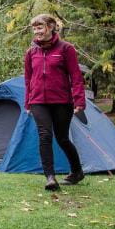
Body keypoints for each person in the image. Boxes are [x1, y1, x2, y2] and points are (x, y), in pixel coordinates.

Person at [24, 14, 86, 191]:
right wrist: (27, 103)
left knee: (62, 138)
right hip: (38, 101)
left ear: (51, 27)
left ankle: (77, 171)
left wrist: (79, 100)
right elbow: (28, 79)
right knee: (44, 136)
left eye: (40, 27)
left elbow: (75, 76)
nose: (37, 32)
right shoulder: (31, 53)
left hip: (61, 101)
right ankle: (50, 177)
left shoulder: (66, 49)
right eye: (34, 28)